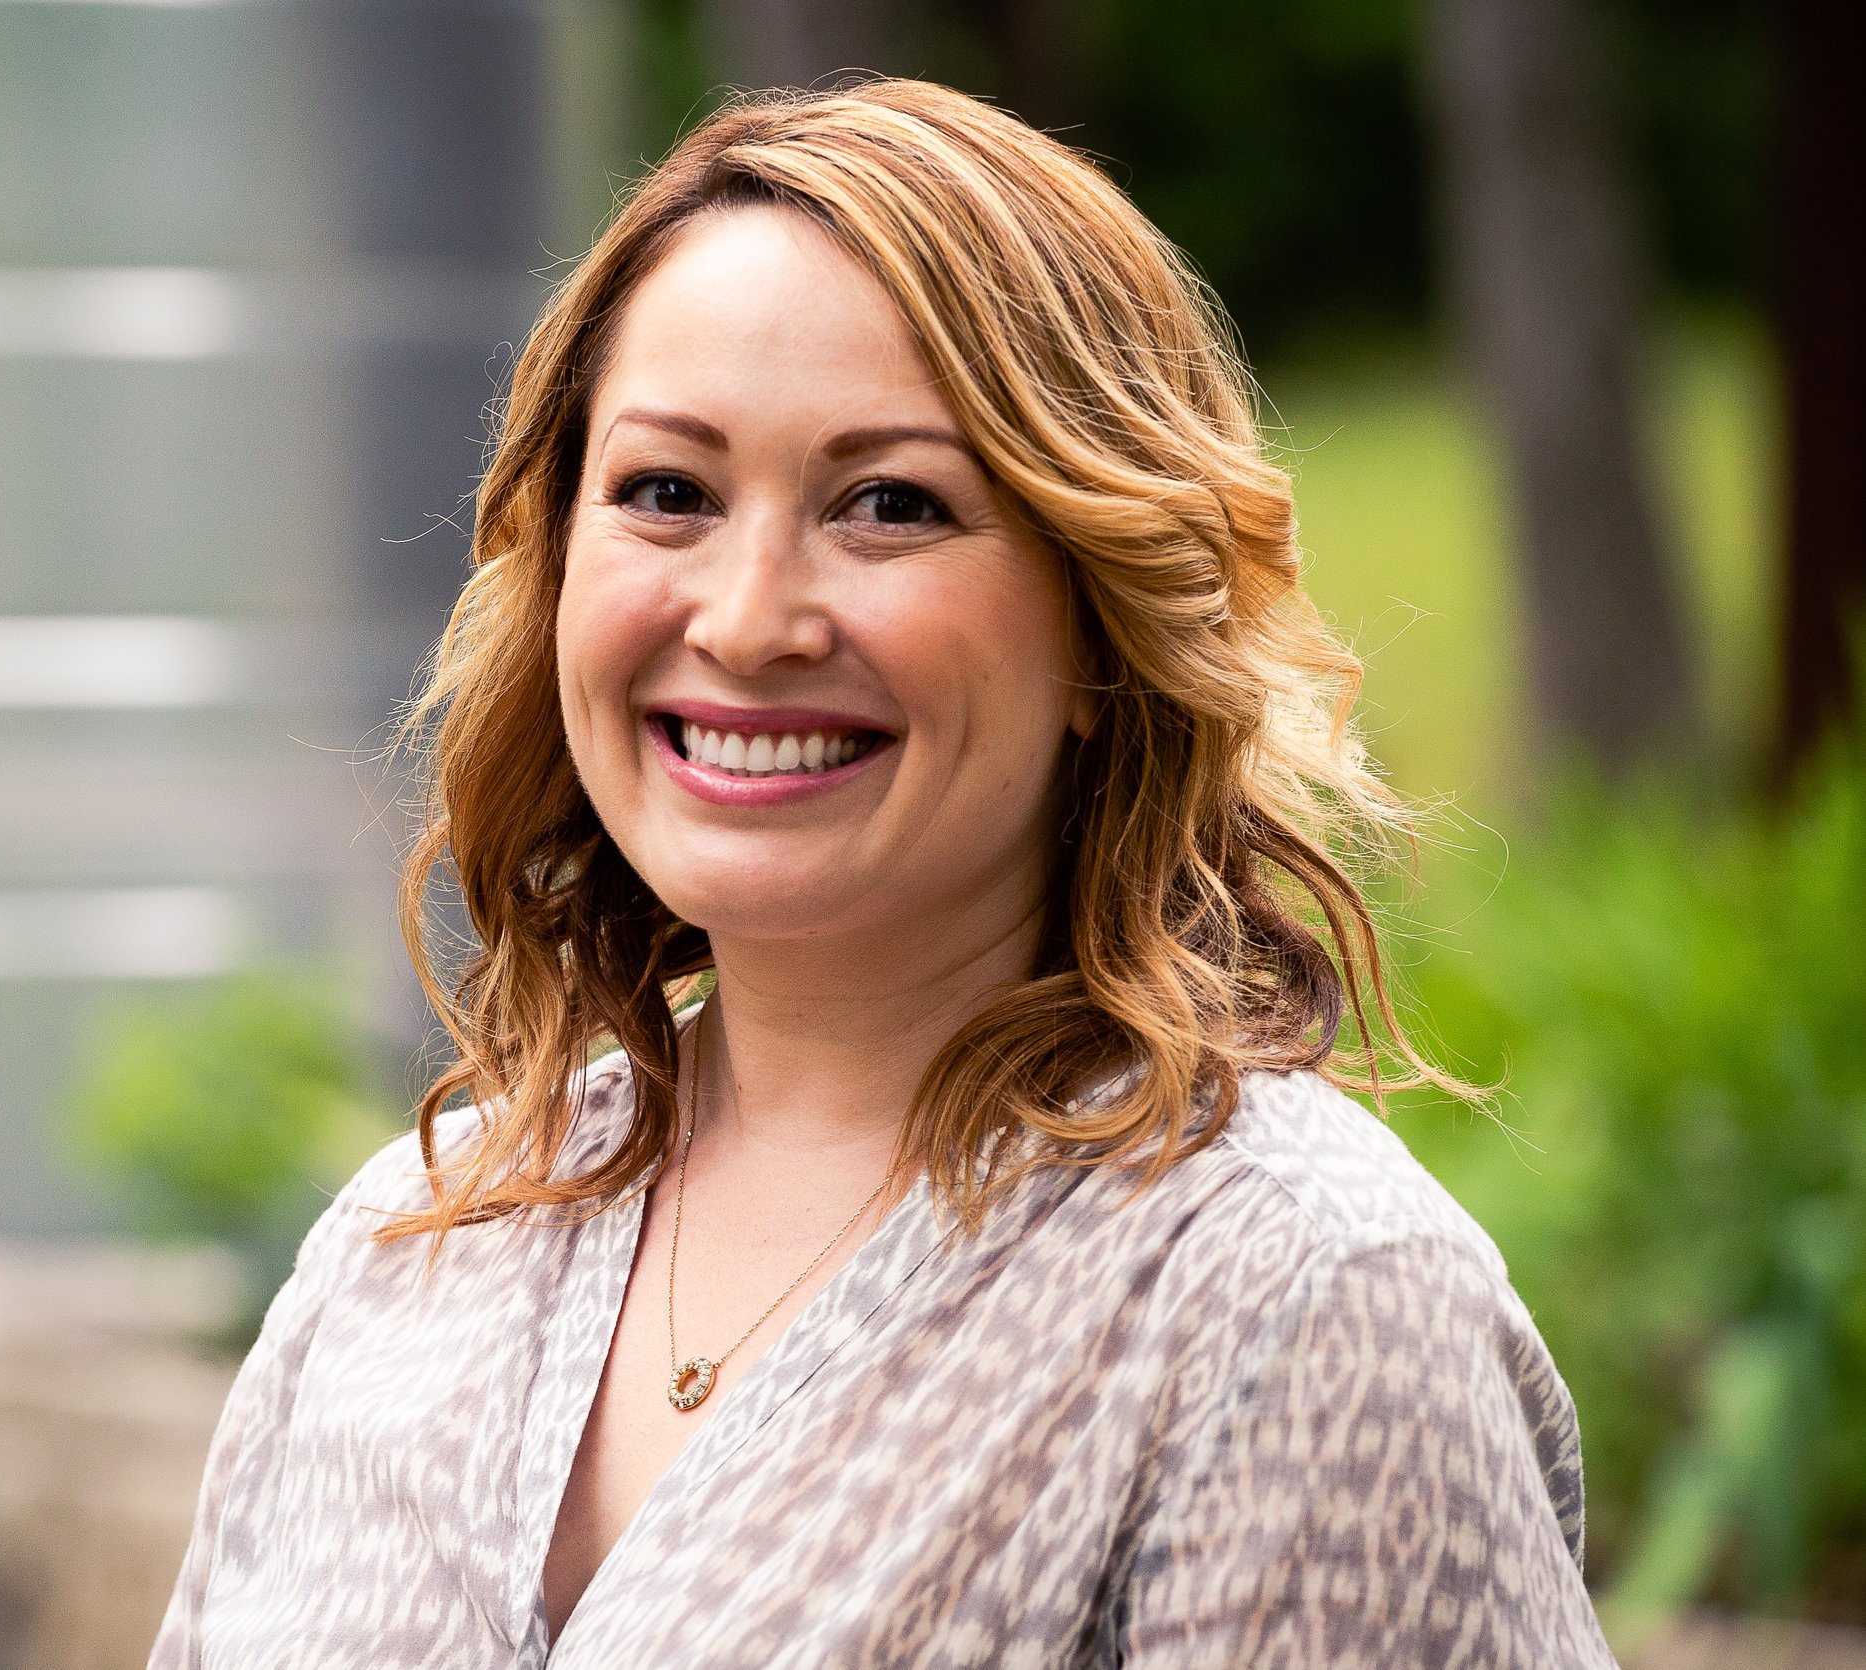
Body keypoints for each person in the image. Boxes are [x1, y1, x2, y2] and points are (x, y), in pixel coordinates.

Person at [148, 79, 1615, 1667]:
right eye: (666, 493)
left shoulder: (1293, 1304)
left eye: (890, 505)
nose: (749, 616)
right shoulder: (412, 1244)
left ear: (1102, 613)